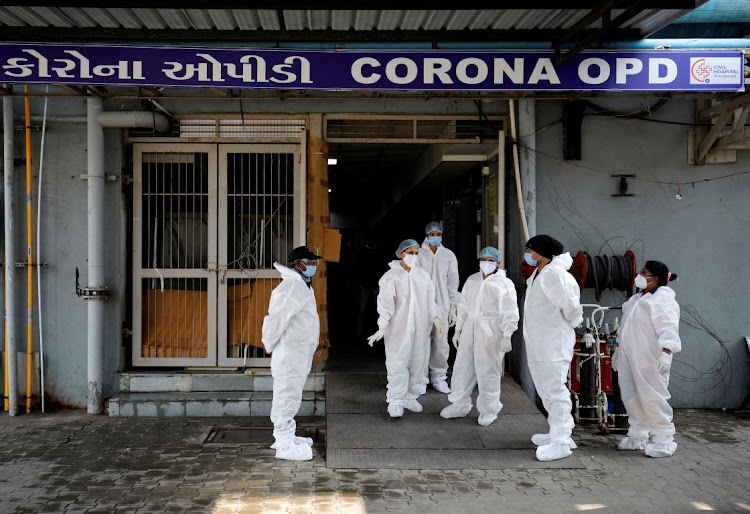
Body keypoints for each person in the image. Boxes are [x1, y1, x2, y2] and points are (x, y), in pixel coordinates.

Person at [440, 246, 519, 426]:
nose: (486, 263)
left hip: (491, 330)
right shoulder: (472, 280)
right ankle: (459, 404)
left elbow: (510, 310)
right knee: (463, 366)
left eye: (491, 260)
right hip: (470, 327)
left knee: (488, 370)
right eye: (483, 259)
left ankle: (489, 409)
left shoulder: (504, 284)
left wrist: (507, 334)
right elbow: (463, 305)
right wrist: (458, 329)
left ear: (498, 263)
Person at [368, 239, 445, 418]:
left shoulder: (422, 275)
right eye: (410, 253)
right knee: (398, 362)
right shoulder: (391, 276)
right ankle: (395, 401)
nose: (414, 256)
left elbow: (430, 300)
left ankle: (411, 396)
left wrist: (436, 318)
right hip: (398, 328)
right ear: (401, 253)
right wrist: (382, 325)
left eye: (416, 253)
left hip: (420, 327)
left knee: (418, 362)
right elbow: (385, 304)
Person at [522, 235, 583, 462]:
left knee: (555, 391)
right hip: (540, 342)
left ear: (542, 252)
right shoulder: (540, 274)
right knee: (546, 390)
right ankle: (559, 431)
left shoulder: (555, 275)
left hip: (553, 343)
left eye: (530, 250)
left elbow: (571, 307)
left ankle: (561, 441)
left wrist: (573, 324)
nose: (527, 253)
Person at [611, 260, 681, 458]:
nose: (640, 275)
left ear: (655, 278)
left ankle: (664, 439)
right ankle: (638, 434)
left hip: (650, 357)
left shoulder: (662, 299)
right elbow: (626, 327)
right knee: (631, 395)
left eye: (644, 272)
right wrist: (618, 350)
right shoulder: (636, 299)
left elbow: (668, 327)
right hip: (629, 356)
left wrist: (667, 353)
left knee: (653, 396)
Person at [261, 246, 321, 461]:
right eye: (309, 262)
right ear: (298, 264)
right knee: (286, 396)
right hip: (290, 352)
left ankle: (286, 436)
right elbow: (276, 319)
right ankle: (284, 444)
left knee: (291, 395)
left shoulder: (301, 286)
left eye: (315, 262)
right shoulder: (291, 288)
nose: (313, 266)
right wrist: (268, 342)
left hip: (297, 351)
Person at [418, 221, 461, 394]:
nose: (435, 237)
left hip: (442, 304)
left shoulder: (448, 255)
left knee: (441, 342)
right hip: (422, 304)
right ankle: (419, 379)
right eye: (432, 234)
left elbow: (453, 282)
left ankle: (439, 377)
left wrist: (453, 306)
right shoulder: (418, 254)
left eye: (438, 234)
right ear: (427, 235)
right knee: (420, 342)